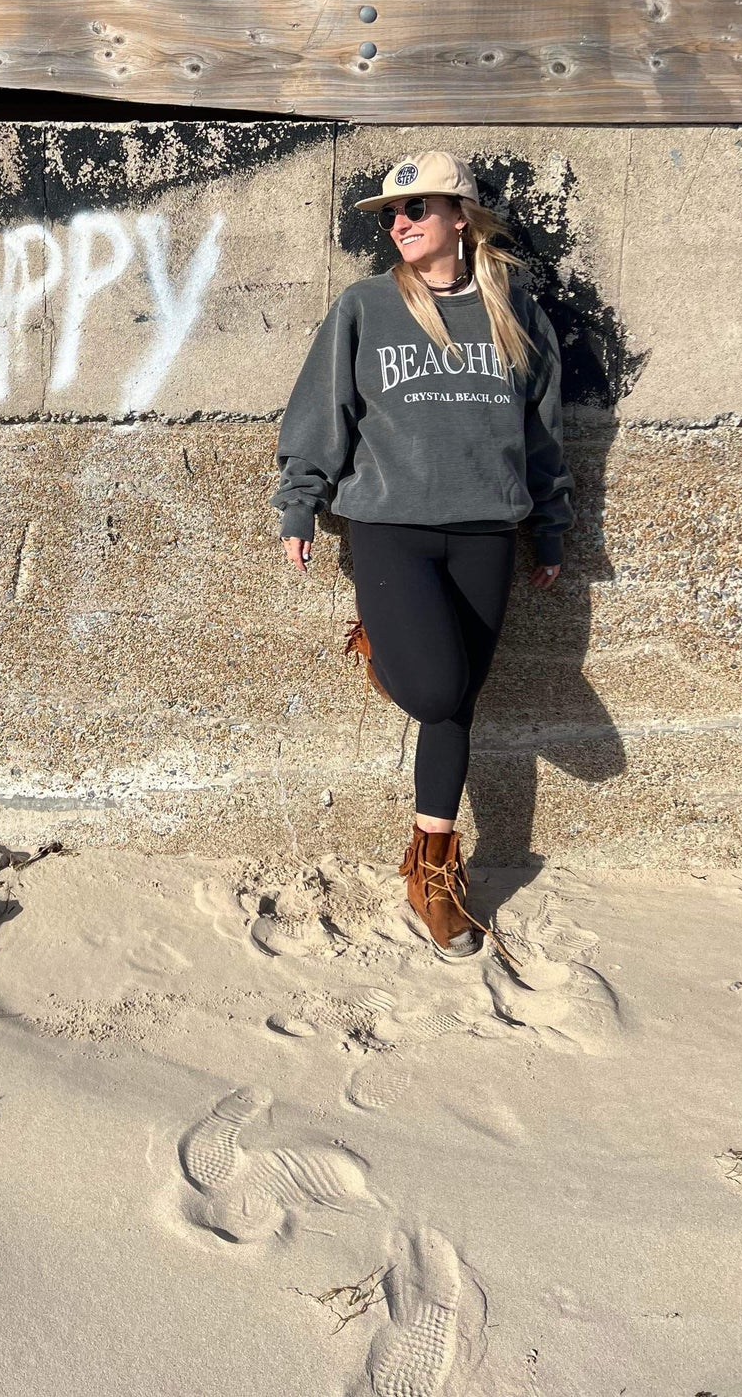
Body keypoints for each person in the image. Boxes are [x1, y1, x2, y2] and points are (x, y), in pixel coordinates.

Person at [273, 150, 573, 959]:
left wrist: (548, 525)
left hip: (484, 532)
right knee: (436, 688)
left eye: (416, 209)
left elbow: (543, 434)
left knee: (458, 702)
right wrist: (300, 501)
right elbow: (319, 411)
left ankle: (432, 871)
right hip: (391, 528)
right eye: (390, 214)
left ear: (460, 218)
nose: (398, 223)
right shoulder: (365, 306)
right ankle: (388, 641)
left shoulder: (515, 312)